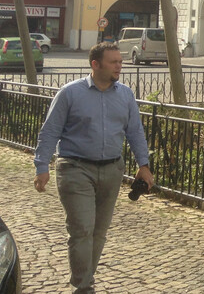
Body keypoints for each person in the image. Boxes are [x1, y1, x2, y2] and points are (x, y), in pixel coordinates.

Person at [32, 42, 155, 294]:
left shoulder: (125, 95)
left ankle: (85, 277)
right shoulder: (70, 93)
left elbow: (135, 132)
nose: (119, 66)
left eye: (120, 61)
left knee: (99, 232)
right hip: (75, 168)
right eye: (114, 62)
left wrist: (144, 165)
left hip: (112, 170)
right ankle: (84, 285)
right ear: (95, 64)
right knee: (82, 229)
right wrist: (41, 166)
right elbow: (50, 131)